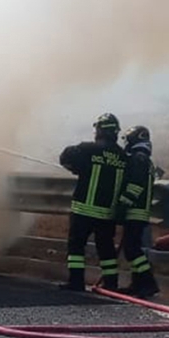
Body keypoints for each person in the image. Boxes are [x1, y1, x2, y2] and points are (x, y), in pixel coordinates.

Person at [57, 113, 128, 291]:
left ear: (100, 130)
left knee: (76, 246)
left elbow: (65, 158)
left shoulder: (88, 149)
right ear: (115, 132)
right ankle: (111, 284)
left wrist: (76, 168)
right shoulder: (123, 157)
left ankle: (76, 282)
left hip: (83, 210)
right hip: (107, 214)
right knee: (106, 249)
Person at [117, 125, 164, 297]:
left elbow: (135, 185)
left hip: (135, 211)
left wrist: (123, 204)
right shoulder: (143, 159)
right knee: (132, 248)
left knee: (132, 250)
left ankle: (148, 282)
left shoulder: (138, 159)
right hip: (138, 211)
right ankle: (138, 284)